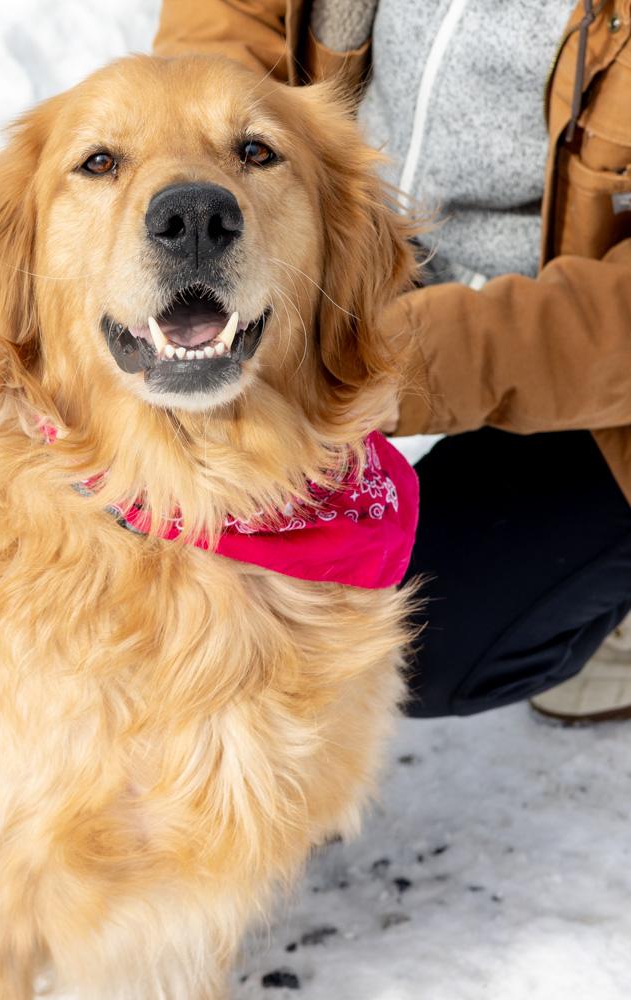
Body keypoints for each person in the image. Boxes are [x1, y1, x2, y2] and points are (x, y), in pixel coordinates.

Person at [154, 0, 631, 722]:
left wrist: (390, 361)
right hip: (356, 259)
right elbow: (233, 16)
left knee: (409, 639)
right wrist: (216, 153)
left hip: (589, 349)